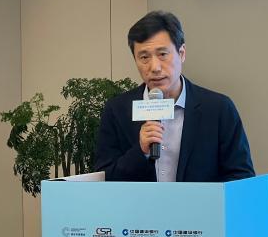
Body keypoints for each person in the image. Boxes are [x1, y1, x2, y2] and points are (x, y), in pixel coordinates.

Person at [94, 10, 255, 182]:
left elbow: (241, 177)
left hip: (199, 201)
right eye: (144, 57)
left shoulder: (218, 109)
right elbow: (104, 179)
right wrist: (140, 152)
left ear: (182, 53)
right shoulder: (117, 110)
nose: (155, 67)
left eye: (163, 54)